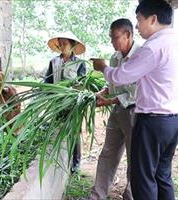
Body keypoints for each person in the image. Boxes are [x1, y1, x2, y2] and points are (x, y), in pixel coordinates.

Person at [92, 1, 178, 199]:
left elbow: (121, 77)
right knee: (161, 175)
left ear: (153, 19)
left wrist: (103, 68)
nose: (137, 25)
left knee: (143, 178)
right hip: (171, 119)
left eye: (139, 20)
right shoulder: (174, 42)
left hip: (152, 120)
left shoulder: (151, 48)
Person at [90, 18, 140, 200]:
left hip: (135, 113)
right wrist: (103, 92)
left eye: (115, 38)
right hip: (117, 112)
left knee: (134, 157)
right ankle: (97, 195)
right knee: (108, 154)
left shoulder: (141, 55)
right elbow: (112, 83)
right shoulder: (115, 57)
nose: (112, 42)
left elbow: (135, 92)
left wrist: (109, 101)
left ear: (127, 35)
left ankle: (131, 195)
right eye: (110, 38)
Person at [44, 31, 86, 173]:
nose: (62, 46)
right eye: (60, 44)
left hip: (73, 104)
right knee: (58, 128)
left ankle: (76, 162)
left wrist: (73, 92)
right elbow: (48, 81)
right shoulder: (54, 62)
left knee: (74, 132)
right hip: (57, 103)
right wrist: (43, 92)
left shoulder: (79, 64)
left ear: (72, 45)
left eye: (65, 43)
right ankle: (60, 158)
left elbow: (82, 84)